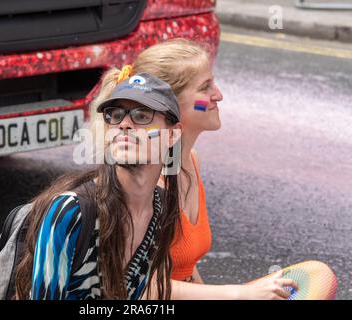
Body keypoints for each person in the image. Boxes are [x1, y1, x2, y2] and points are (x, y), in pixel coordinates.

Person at [90, 38, 298, 299]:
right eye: (205, 87)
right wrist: (240, 294)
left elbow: (184, 271)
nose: (218, 95)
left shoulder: (190, 161)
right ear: (171, 106)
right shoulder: (147, 182)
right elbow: (139, 289)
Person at [13, 73, 185, 300]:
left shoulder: (162, 208)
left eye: (142, 116)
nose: (124, 124)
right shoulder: (71, 211)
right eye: (115, 115)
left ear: (172, 134)